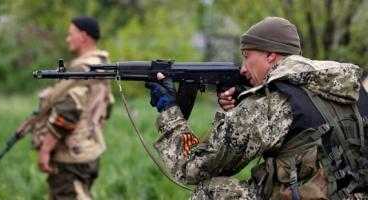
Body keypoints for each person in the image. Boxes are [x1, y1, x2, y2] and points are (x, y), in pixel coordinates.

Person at [146, 17, 368, 199]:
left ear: (270, 55)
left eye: (246, 56)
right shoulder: (351, 91)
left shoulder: (273, 103)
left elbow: (191, 168)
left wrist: (170, 112)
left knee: (212, 192)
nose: (242, 68)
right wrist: (236, 110)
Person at [31, 16, 113, 200]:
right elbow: (107, 108)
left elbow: (68, 112)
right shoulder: (102, 65)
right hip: (89, 148)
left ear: (83, 36)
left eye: (70, 34)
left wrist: (45, 149)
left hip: (71, 154)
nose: (68, 39)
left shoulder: (82, 69)